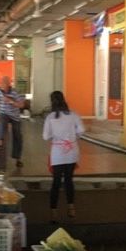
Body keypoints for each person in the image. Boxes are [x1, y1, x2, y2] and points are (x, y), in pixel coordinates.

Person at [42, 90, 84, 222]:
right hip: (72, 151)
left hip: (57, 152)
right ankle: (71, 208)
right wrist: (73, 136)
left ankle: (53, 212)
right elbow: (81, 130)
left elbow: (45, 136)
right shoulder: (73, 115)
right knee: (68, 180)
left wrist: (55, 136)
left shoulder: (50, 117)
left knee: (56, 182)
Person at [0, 75, 25, 169]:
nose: (2, 85)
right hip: (3, 113)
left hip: (14, 116)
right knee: (1, 120)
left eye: (4, 83)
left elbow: (22, 105)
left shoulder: (15, 92)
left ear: (9, 84)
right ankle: (0, 140)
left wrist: (11, 101)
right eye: (1, 83)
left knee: (18, 135)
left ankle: (18, 158)